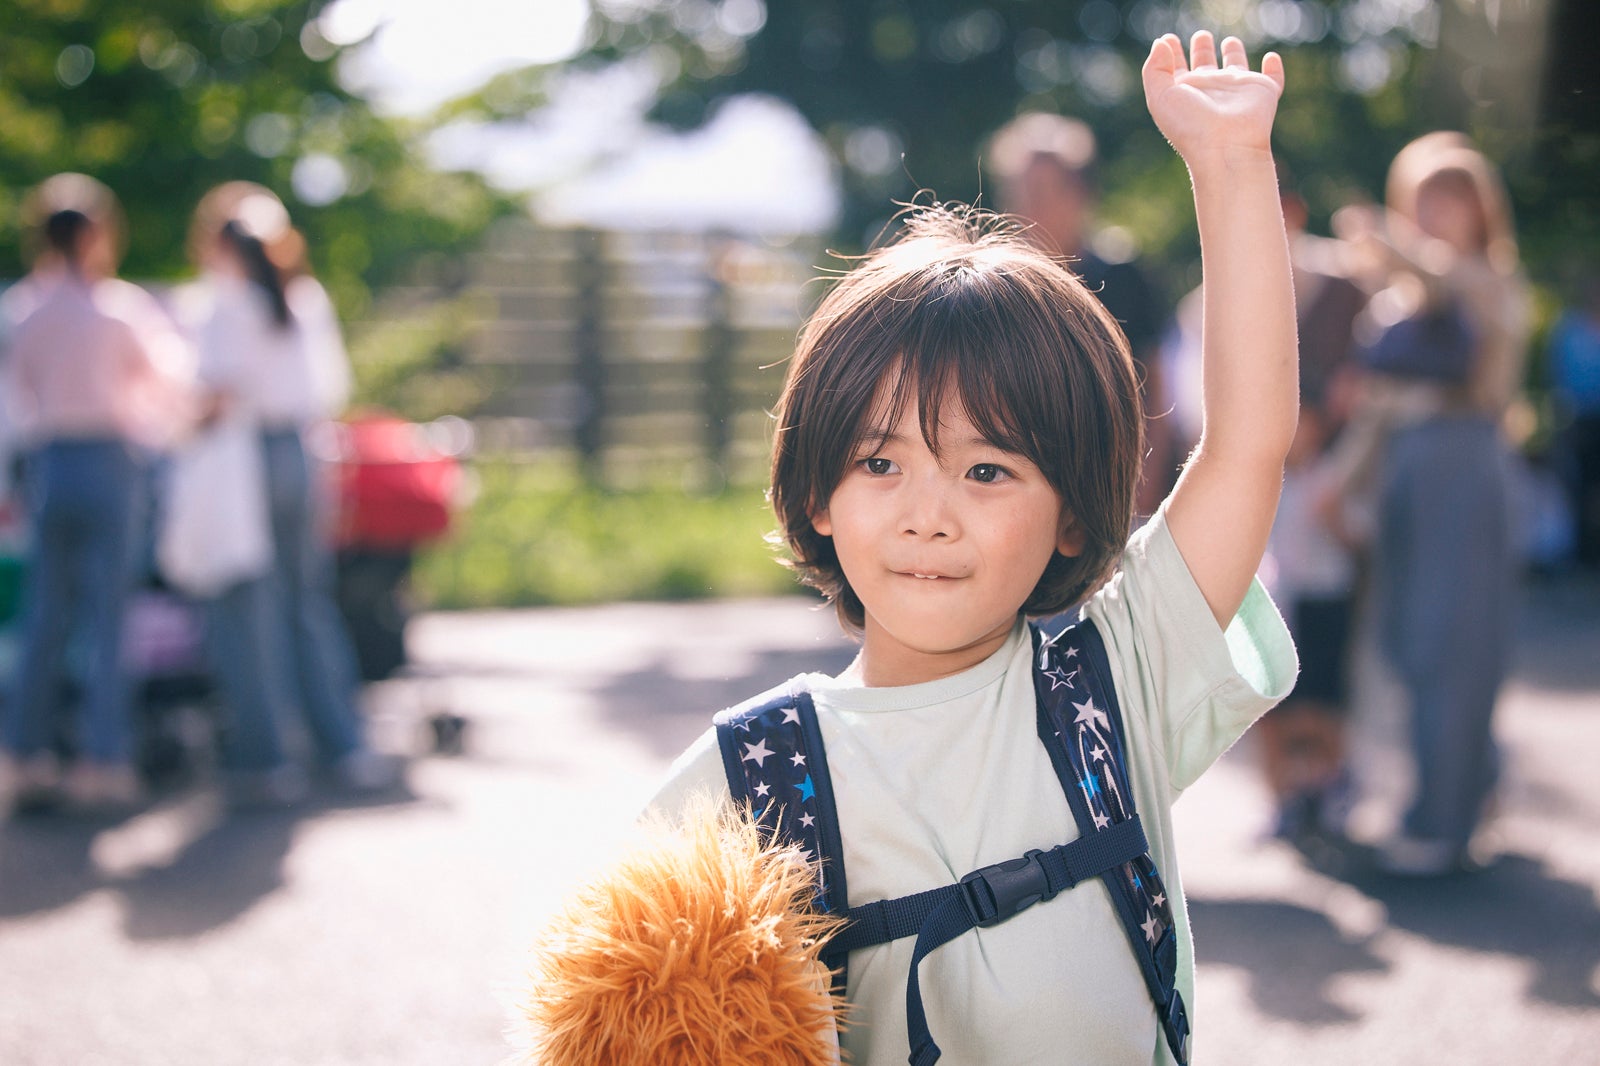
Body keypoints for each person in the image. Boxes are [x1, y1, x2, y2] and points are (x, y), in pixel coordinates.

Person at [644, 33, 1298, 1063]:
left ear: (1074, 513)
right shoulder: (748, 779)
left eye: (987, 471)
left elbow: (1249, 442)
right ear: (816, 492)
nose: (928, 515)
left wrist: (1231, 164)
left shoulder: (1116, 679)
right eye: (880, 463)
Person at [1328, 135, 1531, 875]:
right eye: (1423, 196)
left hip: (1463, 463)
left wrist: (1388, 246)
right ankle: (1459, 792)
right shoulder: (1396, 301)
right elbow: (1378, 410)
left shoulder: (1491, 284)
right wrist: (1340, 488)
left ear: (1482, 208)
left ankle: (1445, 820)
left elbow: (1448, 281)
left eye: (1451, 195)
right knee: (1404, 642)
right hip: (1404, 471)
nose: (1435, 211)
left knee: (1453, 640)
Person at [179, 182, 393, 807]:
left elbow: (214, 398)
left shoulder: (223, 305)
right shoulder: (305, 299)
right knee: (307, 603)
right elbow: (330, 388)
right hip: (301, 455)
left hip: (246, 462)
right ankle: (342, 745)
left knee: (249, 610)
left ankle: (267, 756)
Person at [0, 174, 193, 813]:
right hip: (110, 460)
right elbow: (165, 385)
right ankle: (103, 759)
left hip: (50, 461)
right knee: (109, 620)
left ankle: (24, 755)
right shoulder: (118, 308)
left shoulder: (25, 308)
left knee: (43, 617)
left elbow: (16, 396)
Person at [985, 109, 1175, 517]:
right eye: (1020, 190)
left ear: (1080, 193)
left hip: (1113, 493)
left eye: (1043, 190)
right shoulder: (991, 292)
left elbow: (1156, 393)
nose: (1029, 205)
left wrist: (1143, 487)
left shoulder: (1123, 279)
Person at [1548, 273, 1600, 568]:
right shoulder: (1570, 328)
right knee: (1580, 486)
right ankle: (1583, 551)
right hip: (1580, 418)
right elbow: (1559, 372)